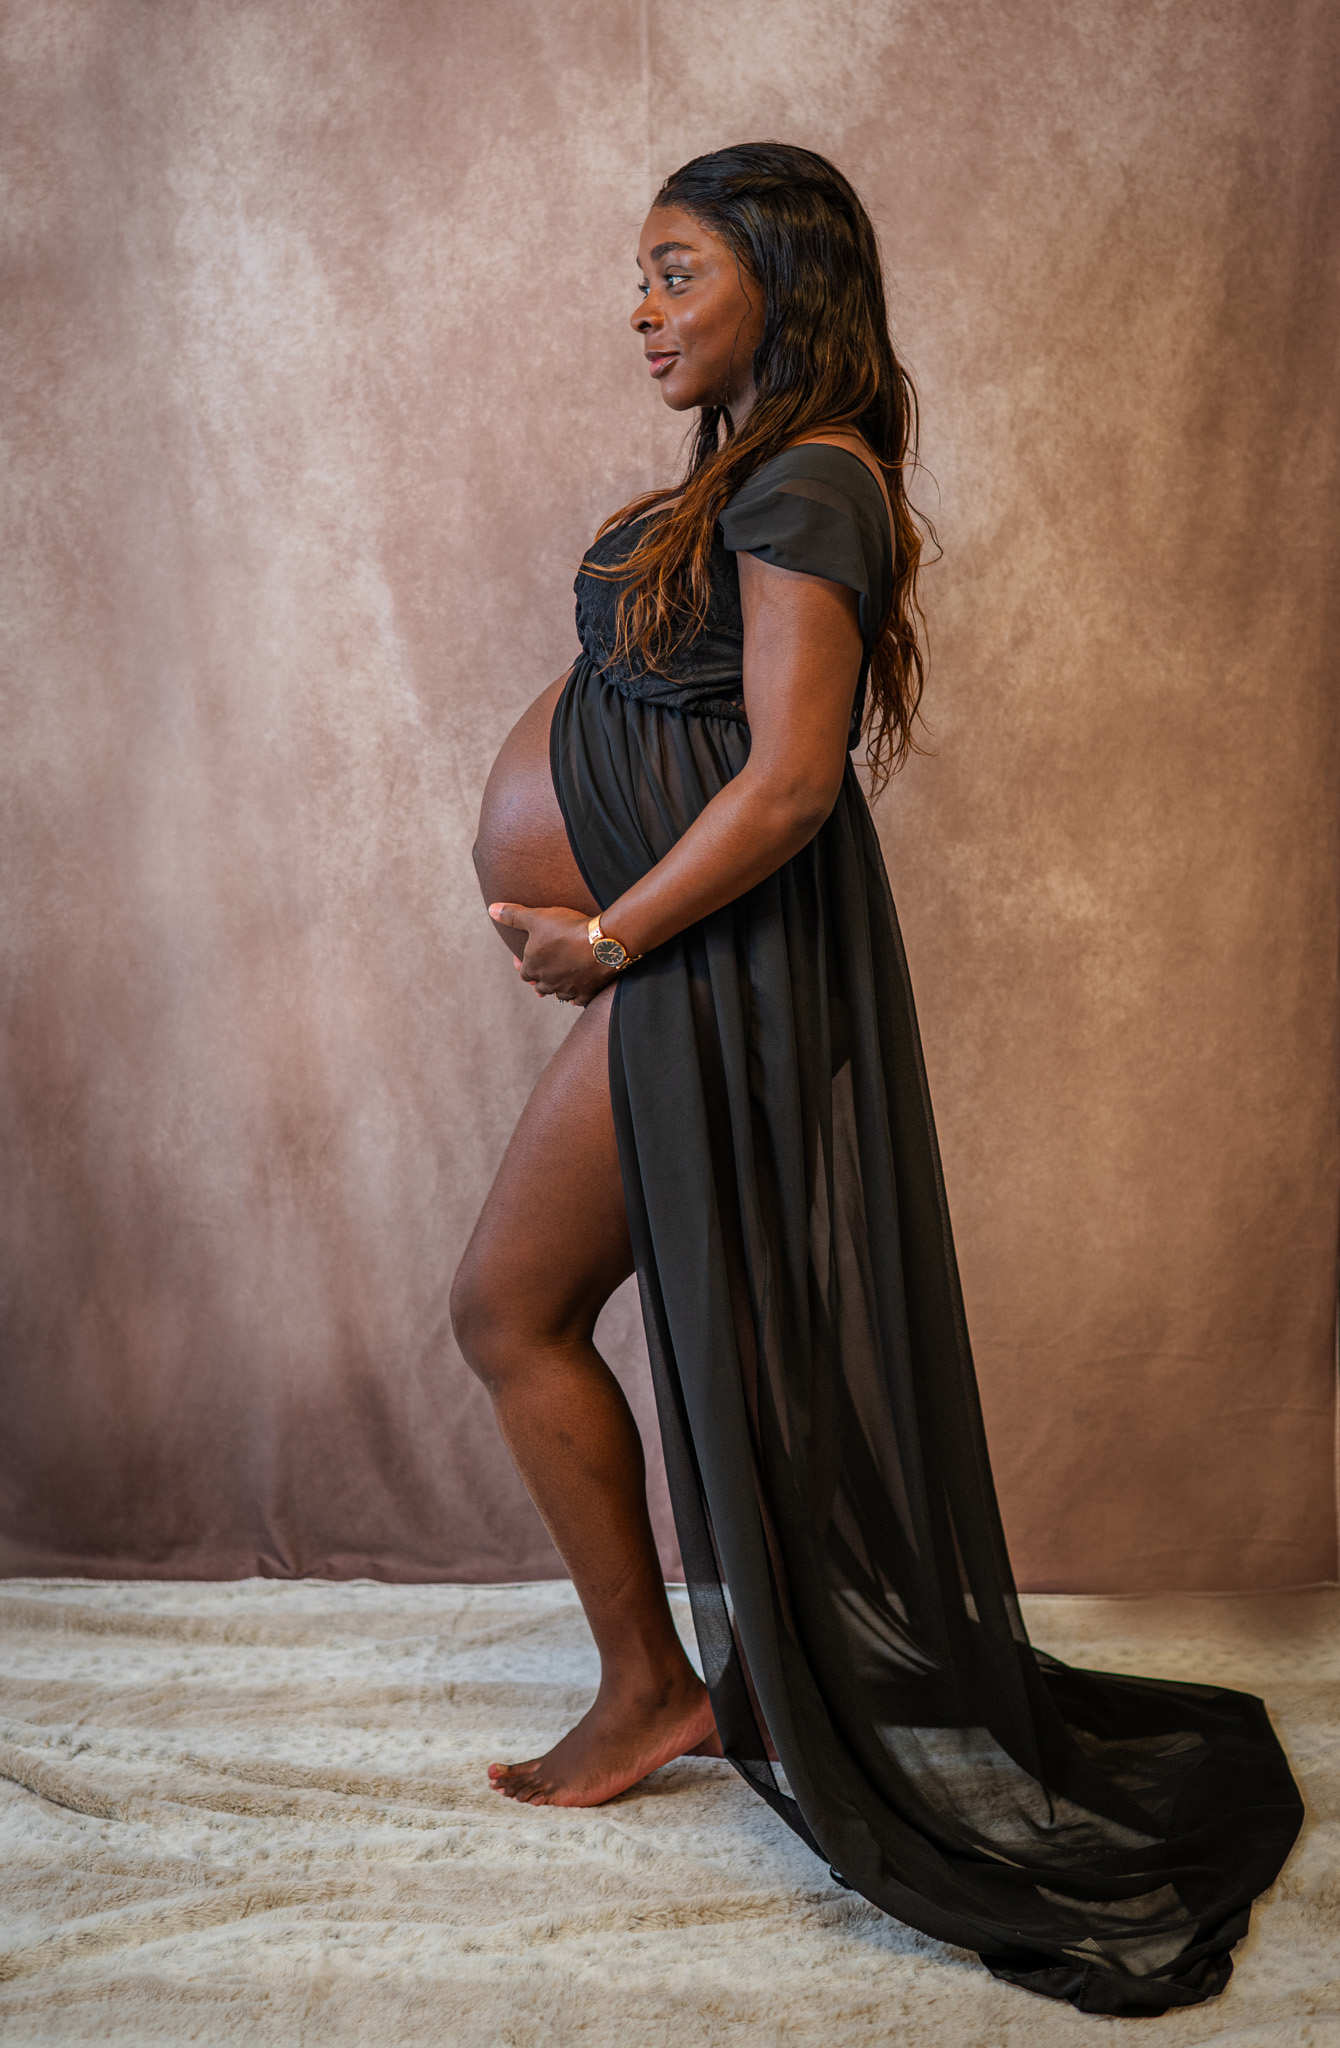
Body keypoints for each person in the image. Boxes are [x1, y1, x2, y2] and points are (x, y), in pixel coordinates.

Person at [451, 142, 1301, 2016]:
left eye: (678, 270)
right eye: (639, 275)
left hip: (711, 969)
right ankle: (704, 1682)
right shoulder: (769, 472)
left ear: (783, 274)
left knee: (510, 1309)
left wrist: (609, 938)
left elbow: (789, 780)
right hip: (699, 972)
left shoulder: (808, 478)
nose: (642, 309)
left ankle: (655, 1689)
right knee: (625, 1328)